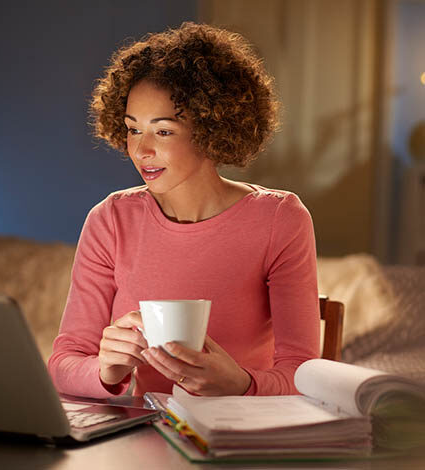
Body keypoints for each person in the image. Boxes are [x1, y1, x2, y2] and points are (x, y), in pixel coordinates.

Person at [48, 22, 320, 398]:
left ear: (211, 128)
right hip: (132, 437)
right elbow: (64, 362)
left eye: (162, 131)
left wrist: (241, 384)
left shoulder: (280, 219)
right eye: (132, 129)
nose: (141, 150)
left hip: (232, 435)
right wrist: (105, 370)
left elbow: (302, 374)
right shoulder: (109, 220)